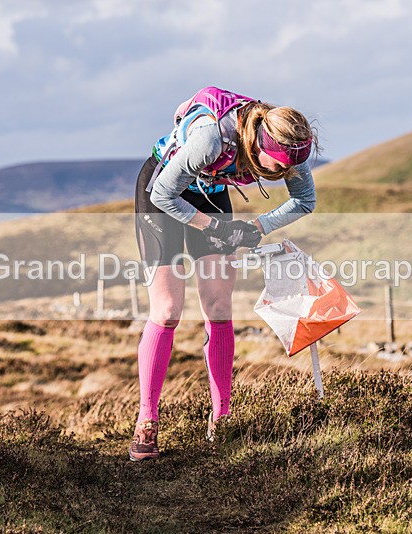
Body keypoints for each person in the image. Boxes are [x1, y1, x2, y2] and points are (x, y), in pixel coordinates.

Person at [130, 86, 319, 461]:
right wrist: (214, 229)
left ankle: (223, 419)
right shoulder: (212, 140)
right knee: (167, 310)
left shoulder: (290, 146)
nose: (282, 174)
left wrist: (256, 228)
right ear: (257, 142)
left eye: (288, 169)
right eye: (277, 167)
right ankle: (146, 421)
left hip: (210, 190)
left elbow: (305, 201)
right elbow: (163, 195)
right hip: (162, 190)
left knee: (218, 305)